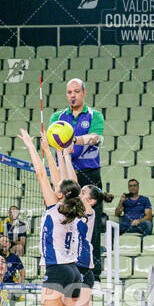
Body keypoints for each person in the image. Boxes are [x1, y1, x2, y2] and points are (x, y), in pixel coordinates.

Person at [41, 134, 118, 306]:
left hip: (83, 273)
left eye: (85, 191)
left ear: (91, 200)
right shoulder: (71, 208)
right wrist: (61, 153)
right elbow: (64, 182)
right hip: (74, 271)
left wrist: (60, 155)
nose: (80, 190)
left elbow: (68, 182)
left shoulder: (88, 211)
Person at [18, 127, 84, 306]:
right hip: (74, 274)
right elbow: (61, 180)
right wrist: (49, 149)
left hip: (56, 272)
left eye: (57, 189)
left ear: (59, 195)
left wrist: (31, 146)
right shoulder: (75, 209)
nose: (54, 188)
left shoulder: (53, 208)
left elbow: (42, 174)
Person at [49, 78, 105, 283]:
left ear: (84, 92)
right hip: (65, 173)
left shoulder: (94, 115)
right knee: (62, 219)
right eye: (69, 92)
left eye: (76, 91)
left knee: (92, 224)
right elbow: (52, 140)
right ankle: (63, 266)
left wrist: (75, 141)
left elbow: (96, 137)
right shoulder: (57, 117)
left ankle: (94, 273)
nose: (72, 95)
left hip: (89, 173)